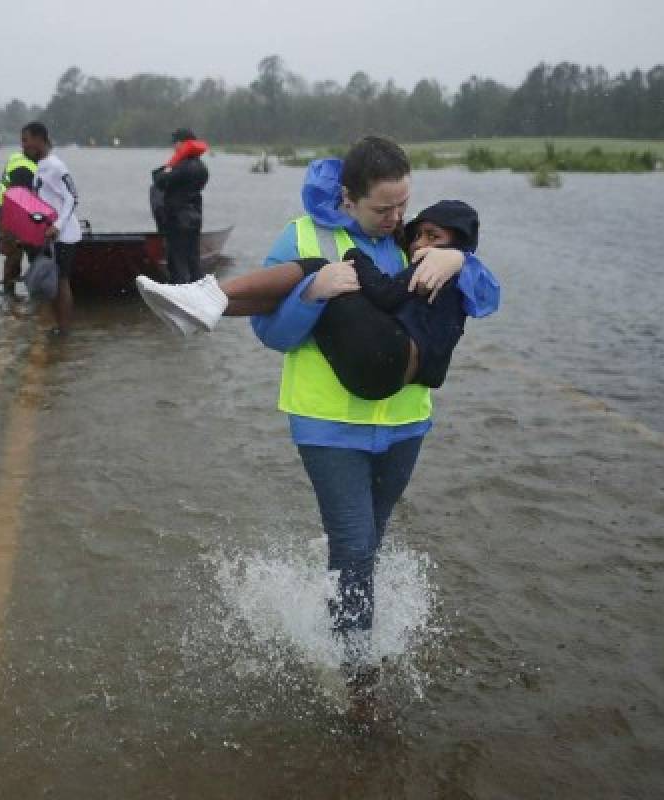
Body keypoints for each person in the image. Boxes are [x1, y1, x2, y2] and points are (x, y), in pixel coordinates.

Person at [215, 137, 501, 709]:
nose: (398, 220)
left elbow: (487, 298)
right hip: (327, 424)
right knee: (352, 544)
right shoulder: (301, 238)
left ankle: (341, 630)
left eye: (404, 206)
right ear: (348, 199)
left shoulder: (413, 237)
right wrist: (313, 294)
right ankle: (356, 680)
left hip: (405, 424)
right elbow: (272, 335)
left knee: (368, 543)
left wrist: (460, 260)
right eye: (383, 209)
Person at [136, 200, 491, 397]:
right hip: (386, 377)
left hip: (387, 361)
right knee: (313, 282)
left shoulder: (442, 267)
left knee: (319, 268)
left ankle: (207, 297)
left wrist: (356, 257)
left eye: (434, 237)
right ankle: (198, 308)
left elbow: (384, 295)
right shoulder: (437, 266)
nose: (421, 245)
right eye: (419, 236)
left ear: (457, 242)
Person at [20, 121, 80, 335]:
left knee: (61, 282)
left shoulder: (55, 166)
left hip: (64, 236)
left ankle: (64, 331)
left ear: (39, 140)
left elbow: (72, 197)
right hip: (49, 236)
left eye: (26, 141)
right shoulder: (41, 167)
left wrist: (57, 225)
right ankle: (55, 326)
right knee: (51, 282)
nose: (23, 147)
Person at [152, 128, 209, 284]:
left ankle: (180, 292)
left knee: (177, 261)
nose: (174, 146)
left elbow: (160, 181)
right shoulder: (202, 167)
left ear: (184, 143)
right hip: (195, 219)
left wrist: (166, 170)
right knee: (193, 260)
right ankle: (198, 290)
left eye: (176, 142)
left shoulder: (181, 167)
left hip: (177, 219)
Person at [0, 125, 40, 299]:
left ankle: (15, 296)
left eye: (26, 140)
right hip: (8, 211)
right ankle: (9, 297)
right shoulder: (22, 166)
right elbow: (23, 201)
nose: (23, 145)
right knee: (15, 254)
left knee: (24, 254)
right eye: (23, 141)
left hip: (9, 208)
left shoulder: (26, 159)